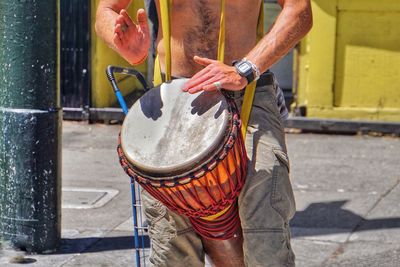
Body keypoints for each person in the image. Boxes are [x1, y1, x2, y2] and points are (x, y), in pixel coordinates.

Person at [95, 0, 312, 266]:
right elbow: (106, 11)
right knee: (171, 246)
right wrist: (125, 46)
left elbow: (299, 11)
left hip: (248, 92)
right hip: (173, 95)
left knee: (266, 230)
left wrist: (245, 68)